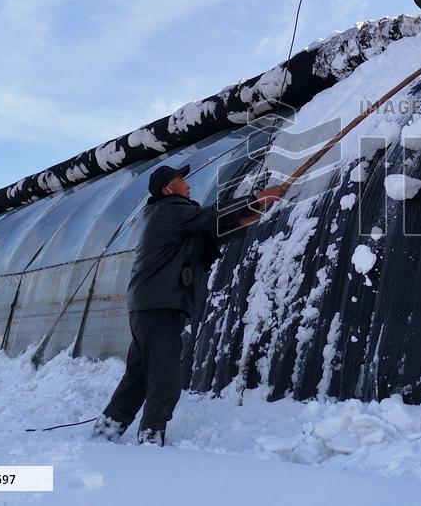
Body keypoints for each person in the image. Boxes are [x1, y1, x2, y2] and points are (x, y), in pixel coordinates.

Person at [91, 163, 283, 446]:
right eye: (181, 179)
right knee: (165, 378)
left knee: (140, 374)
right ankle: (150, 439)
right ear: (168, 189)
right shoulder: (170, 209)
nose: (188, 183)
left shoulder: (165, 215)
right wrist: (254, 200)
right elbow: (210, 216)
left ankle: (106, 431)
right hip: (160, 305)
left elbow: (207, 233)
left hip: (148, 305)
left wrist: (245, 219)